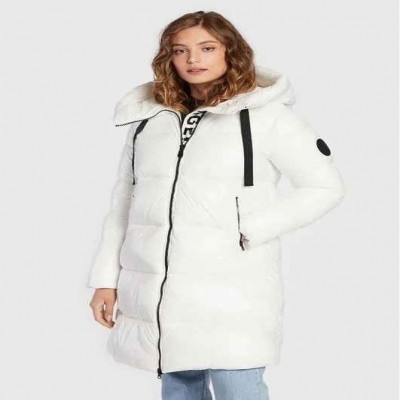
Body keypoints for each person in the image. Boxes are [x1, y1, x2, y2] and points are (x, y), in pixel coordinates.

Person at [87, 10, 346, 400]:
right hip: (162, 293)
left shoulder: (267, 117)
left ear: (230, 51)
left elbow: (325, 186)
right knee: (179, 388)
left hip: (233, 289)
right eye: (180, 50)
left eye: (207, 48)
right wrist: (105, 279)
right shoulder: (150, 121)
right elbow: (124, 203)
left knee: (236, 387)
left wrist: (249, 228)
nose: (193, 59)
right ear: (169, 58)